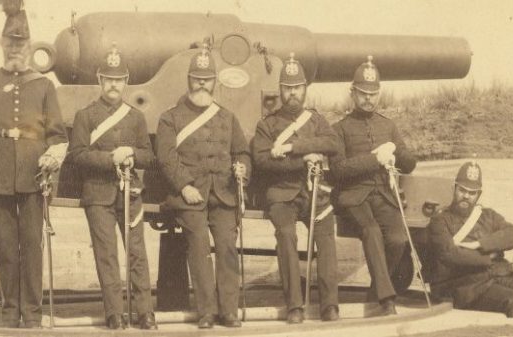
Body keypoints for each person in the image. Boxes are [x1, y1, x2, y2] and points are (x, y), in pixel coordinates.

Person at [0, 6, 67, 329]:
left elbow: (58, 135)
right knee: (6, 247)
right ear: (0, 42)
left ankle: (32, 314)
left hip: (33, 177)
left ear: (30, 45)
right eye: (10, 42)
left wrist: (51, 159)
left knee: (32, 248)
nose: (15, 49)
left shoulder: (45, 86)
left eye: (20, 43)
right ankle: (10, 313)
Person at [155, 45, 250, 329]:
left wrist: (243, 169)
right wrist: (184, 186)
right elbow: (166, 157)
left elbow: (242, 152)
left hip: (223, 193)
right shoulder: (170, 118)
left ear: (215, 81)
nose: (201, 83)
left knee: (226, 246)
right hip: (190, 196)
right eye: (197, 78)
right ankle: (207, 311)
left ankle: (229, 310)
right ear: (188, 79)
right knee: (198, 246)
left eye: (207, 78)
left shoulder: (227, 117)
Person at [66, 46, 158, 330]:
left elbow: (149, 156)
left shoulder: (135, 117)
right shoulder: (86, 116)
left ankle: (145, 312)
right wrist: (110, 158)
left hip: (130, 193)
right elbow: (76, 155)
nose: (113, 85)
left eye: (118, 79)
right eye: (108, 79)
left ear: (126, 82)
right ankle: (114, 313)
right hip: (98, 194)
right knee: (107, 255)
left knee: (137, 254)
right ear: (99, 81)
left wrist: (130, 152)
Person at [250, 54, 340, 324]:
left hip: (315, 194)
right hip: (281, 195)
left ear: (304, 90)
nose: (293, 94)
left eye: (297, 88)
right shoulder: (267, 124)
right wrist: (304, 160)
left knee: (326, 238)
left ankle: (329, 304)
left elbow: (332, 144)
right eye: (288, 88)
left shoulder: (316, 121)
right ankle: (294, 305)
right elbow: (263, 160)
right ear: (280, 90)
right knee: (287, 237)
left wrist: (294, 148)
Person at [329, 56, 416, 316]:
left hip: (383, 196)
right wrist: (374, 160)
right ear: (352, 93)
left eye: (373, 94)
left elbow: (410, 163)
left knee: (398, 239)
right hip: (353, 198)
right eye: (363, 93)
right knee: (371, 231)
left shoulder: (388, 126)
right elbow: (337, 170)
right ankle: (387, 300)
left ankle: (373, 292)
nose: (369, 99)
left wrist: (395, 153)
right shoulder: (340, 129)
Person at [427, 161, 513, 317]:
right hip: (464, 285)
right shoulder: (440, 220)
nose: (466, 196)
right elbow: (450, 254)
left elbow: (512, 235)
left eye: (472, 192)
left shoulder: (487, 215)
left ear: (478, 195)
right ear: (454, 188)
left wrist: (480, 244)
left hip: (496, 275)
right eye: (462, 190)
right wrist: (490, 255)